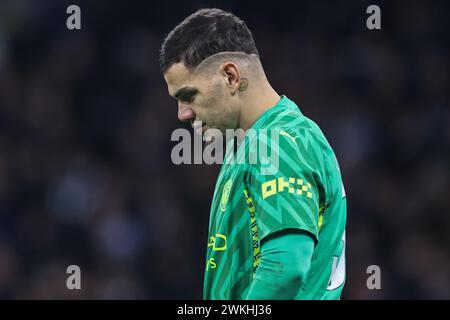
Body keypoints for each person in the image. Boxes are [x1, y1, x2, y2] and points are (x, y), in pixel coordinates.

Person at [160, 8, 347, 299]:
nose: (183, 114)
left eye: (189, 95)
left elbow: (284, 270)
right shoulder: (253, 146)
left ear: (231, 77)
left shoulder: (279, 142)